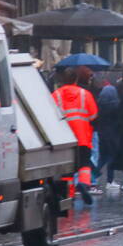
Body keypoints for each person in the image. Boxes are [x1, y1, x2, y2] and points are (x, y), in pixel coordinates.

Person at [52, 67, 99, 205]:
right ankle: (84, 184)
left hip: (64, 139)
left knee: (67, 170)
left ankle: (69, 194)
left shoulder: (56, 95)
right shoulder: (85, 94)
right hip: (83, 137)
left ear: (62, 80)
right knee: (84, 164)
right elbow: (94, 116)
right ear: (76, 79)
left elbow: (51, 116)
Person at [91, 77, 122, 194]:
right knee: (111, 158)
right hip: (113, 135)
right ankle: (110, 180)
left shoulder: (99, 105)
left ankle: (94, 176)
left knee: (102, 158)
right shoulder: (116, 106)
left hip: (101, 134)